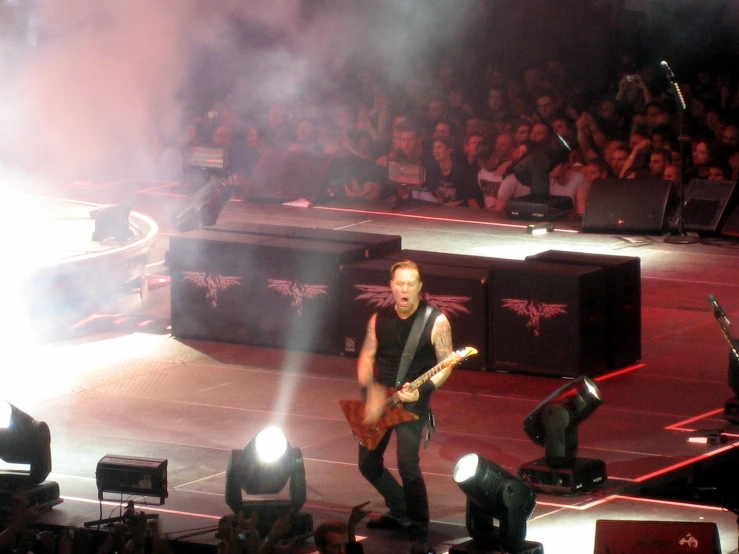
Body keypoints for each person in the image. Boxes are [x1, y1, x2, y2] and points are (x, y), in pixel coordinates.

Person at [357, 260, 453, 554]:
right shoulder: (378, 320)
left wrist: (423, 389)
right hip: (381, 400)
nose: (405, 289)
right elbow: (366, 356)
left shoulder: (436, 321)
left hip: (412, 401)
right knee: (368, 464)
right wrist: (369, 393)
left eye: (411, 284)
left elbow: (446, 363)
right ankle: (400, 510)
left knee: (407, 464)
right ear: (391, 286)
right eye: (400, 283)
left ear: (420, 288)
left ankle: (419, 528)